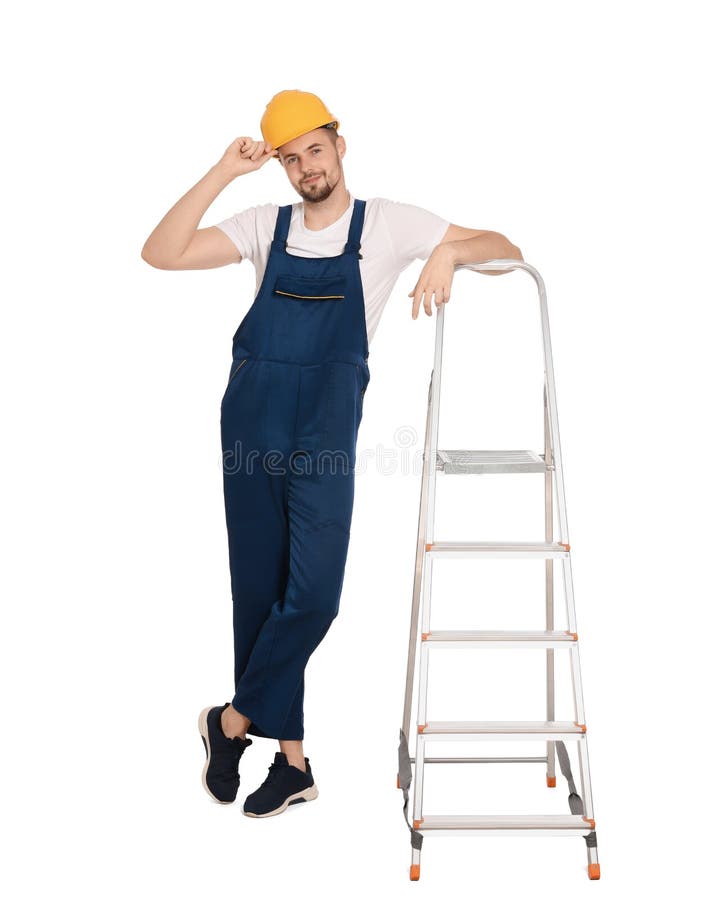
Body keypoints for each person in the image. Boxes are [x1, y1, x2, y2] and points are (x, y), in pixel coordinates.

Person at [141, 89, 523, 819]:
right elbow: (160, 254)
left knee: (313, 596)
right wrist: (224, 171)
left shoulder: (388, 225)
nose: (304, 168)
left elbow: (505, 247)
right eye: (289, 159)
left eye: (313, 150)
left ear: (339, 146)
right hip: (250, 429)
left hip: (321, 439)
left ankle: (229, 725)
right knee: (260, 591)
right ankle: (292, 766)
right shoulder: (264, 225)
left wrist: (446, 251)